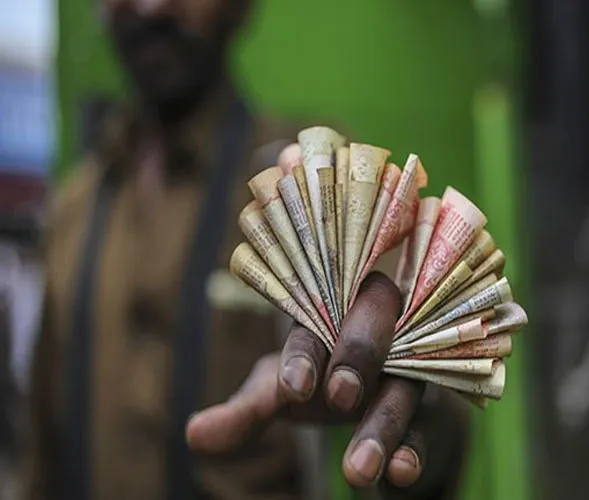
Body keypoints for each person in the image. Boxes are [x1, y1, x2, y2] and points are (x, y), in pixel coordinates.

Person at [23, 0, 469, 499]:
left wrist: (412, 393)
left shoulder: (310, 183)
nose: (152, 7)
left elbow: (435, 420)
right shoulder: (72, 211)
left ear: (240, 8)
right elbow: (40, 458)